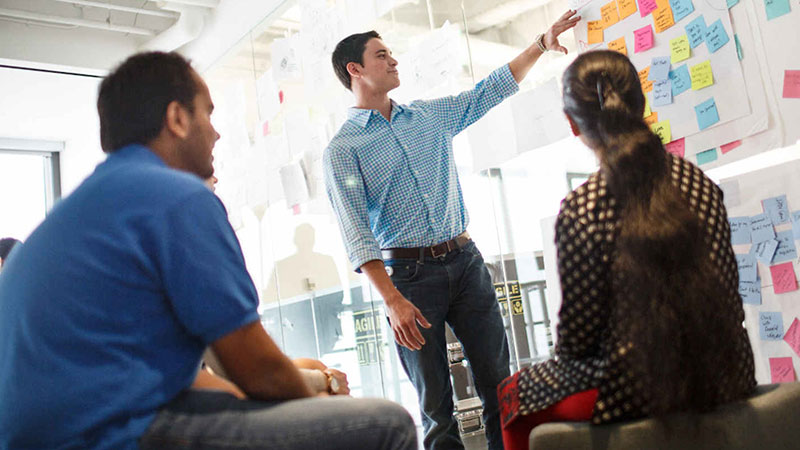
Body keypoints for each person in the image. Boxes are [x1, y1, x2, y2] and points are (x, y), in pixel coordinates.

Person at [0, 51, 416, 450]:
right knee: (384, 423)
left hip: (46, 435)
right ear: (177, 119)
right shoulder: (175, 195)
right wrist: (327, 403)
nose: (216, 133)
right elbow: (254, 370)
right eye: (208, 113)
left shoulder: (85, 209)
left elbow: (199, 377)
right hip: (110, 436)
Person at [323, 11, 580, 450]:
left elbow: (488, 92)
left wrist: (540, 43)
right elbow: (356, 232)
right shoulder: (342, 150)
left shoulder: (427, 116)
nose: (394, 61)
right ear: (355, 69)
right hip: (408, 281)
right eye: (382, 55)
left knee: (501, 386)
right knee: (436, 409)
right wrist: (392, 301)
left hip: (465, 264)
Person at [496, 50, 757, 450]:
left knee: (511, 395)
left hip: (637, 385)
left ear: (571, 124)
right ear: (641, 103)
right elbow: (728, 291)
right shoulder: (701, 184)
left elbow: (577, 343)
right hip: (728, 369)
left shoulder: (583, 209)